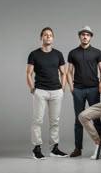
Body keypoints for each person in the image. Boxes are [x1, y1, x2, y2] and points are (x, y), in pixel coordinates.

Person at [26, 27, 68, 159]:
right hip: (41, 91)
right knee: (37, 120)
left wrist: (63, 88)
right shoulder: (34, 54)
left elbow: (63, 73)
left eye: (50, 35)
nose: (48, 37)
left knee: (55, 121)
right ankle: (36, 148)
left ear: (53, 38)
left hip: (56, 91)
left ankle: (54, 149)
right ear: (41, 38)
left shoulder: (58, 54)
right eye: (45, 35)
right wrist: (33, 88)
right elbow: (28, 73)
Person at [67, 26, 101, 157]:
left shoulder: (97, 52)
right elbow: (69, 72)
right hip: (78, 89)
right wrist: (71, 87)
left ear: (90, 37)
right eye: (83, 34)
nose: (85, 37)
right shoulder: (73, 53)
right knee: (78, 119)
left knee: (97, 119)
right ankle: (78, 148)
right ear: (79, 36)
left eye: (87, 35)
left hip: (94, 89)